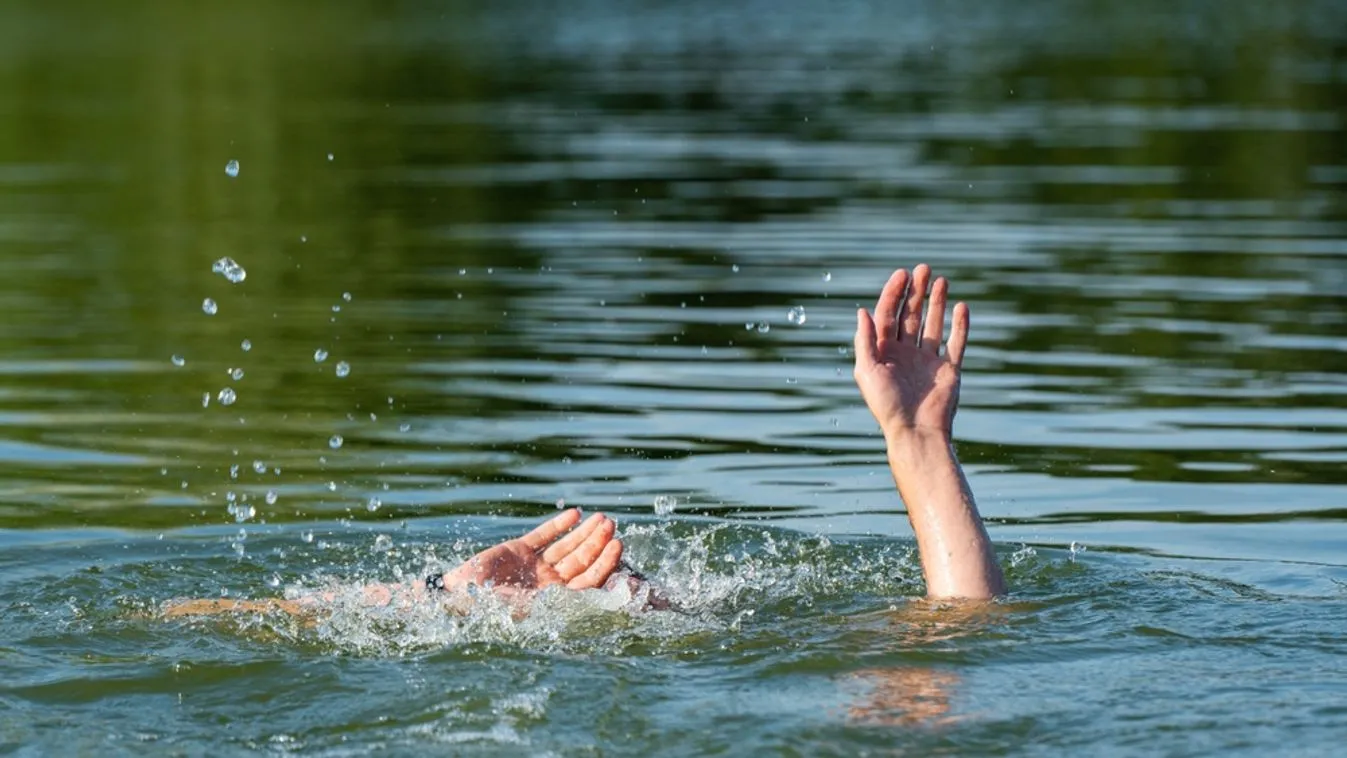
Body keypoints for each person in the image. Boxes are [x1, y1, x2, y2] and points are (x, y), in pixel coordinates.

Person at [164, 263, 1004, 619]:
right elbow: (960, 642)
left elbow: (956, 638)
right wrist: (451, 600)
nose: (626, 585)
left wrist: (914, 437)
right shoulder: (752, 652)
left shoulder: (740, 641)